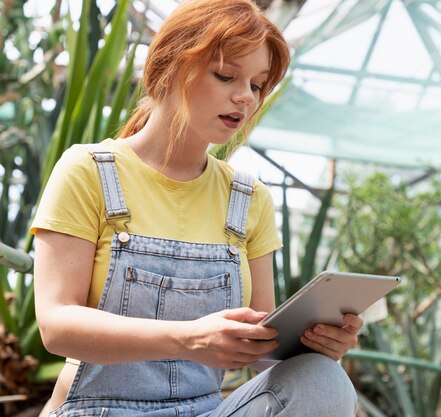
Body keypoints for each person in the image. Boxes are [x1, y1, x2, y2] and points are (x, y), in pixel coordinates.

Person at [31, 0, 362, 415]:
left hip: (206, 410)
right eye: (226, 76)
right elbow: (56, 325)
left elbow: (262, 348)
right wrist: (189, 338)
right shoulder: (90, 172)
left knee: (322, 378)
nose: (245, 97)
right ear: (169, 68)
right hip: (96, 410)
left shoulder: (249, 198)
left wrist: (319, 344)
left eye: (257, 85)